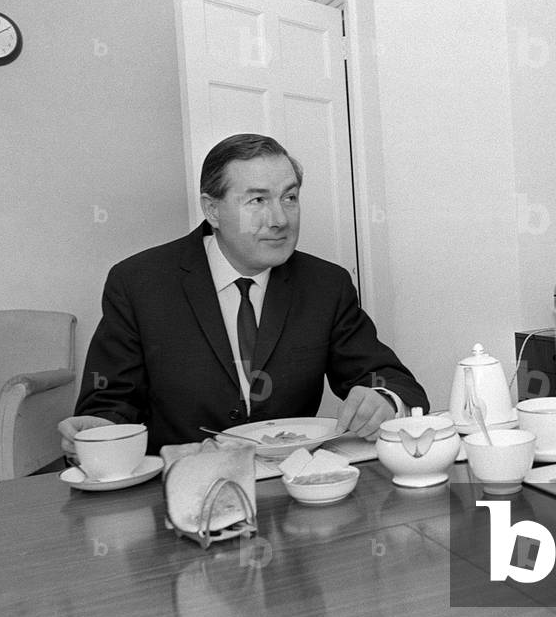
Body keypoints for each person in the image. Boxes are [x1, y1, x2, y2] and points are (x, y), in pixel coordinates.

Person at [60, 134, 429, 456]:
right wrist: (99, 431)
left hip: (294, 488)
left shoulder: (325, 285)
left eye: (289, 197)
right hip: (180, 492)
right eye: (257, 201)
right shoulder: (139, 283)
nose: (280, 219)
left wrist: (383, 398)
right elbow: (109, 400)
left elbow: (390, 380)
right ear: (212, 210)